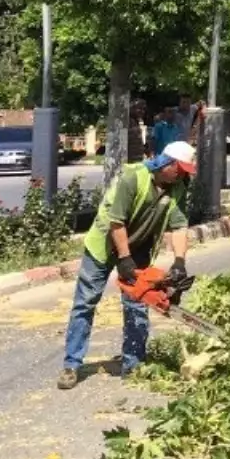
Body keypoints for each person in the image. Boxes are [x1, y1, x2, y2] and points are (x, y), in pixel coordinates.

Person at [58, 140, 196, 389]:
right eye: (180, 169)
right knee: (86, 302)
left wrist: (179, 261)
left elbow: (179, 226)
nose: (182, 174)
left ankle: (134, 364)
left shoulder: (177, 188)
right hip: (105, 245)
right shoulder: (133, 178)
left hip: (139, 247)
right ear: (167, 163)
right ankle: (71, 363)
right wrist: (123, 258)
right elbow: (116, 222)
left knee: (137, 302)